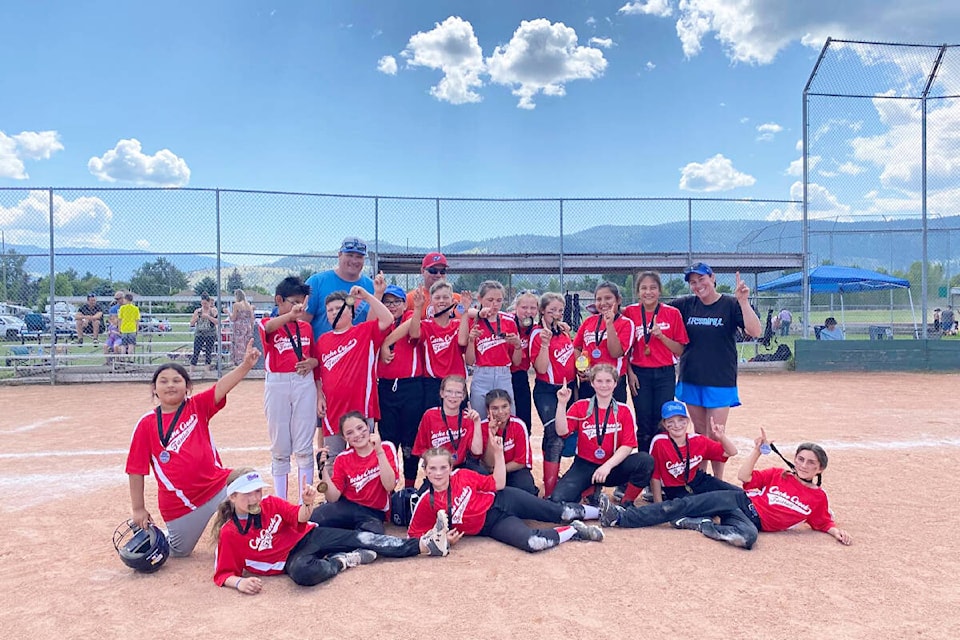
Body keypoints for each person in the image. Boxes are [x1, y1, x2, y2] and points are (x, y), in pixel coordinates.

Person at [598, 430, 853, 551]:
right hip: (740, 500)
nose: (804, 465)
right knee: (680, 505)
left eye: (811, 463)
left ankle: (703, 525)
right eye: (801, 459)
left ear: (819, 469)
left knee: (748, 539)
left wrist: (836, 532)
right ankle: (620, 517)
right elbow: (744, 478)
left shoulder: (818, 497)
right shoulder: (779, 474)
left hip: (748, 520)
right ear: (795, 460)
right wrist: (756, 450)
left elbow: (821, 521)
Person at [211, 468, 450, 594]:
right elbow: (223, 573)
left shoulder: (270, 503)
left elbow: (300, 518)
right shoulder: (230, 533)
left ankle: (426, 545)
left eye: (257, 491)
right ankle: (342, 561)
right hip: (291, 561)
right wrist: (239, 584)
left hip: (308, 536)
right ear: (232, 497)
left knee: (363, 538)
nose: (255, 498)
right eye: (248, 494)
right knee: (304, 575)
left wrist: (306, 504)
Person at [125, 339, 260, 557]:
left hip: (217, 488)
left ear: (187, 387)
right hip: (180, 505)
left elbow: (221, 387)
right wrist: (138, 508)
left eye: (177, 380)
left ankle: (241, 537)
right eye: (164, 381)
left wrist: (245, 366)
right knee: (178, 552)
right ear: (154, 389)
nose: (170, 385)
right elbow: (136, 470)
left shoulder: (197, 406)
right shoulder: (146, 424)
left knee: (247, 480)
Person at [408, 446, 605, 553]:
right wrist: (444, 540)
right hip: (493, 524)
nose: (438, 473)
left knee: (560, 512)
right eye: (432, 468)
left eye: (443, 467)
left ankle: (601, 512)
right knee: (533, 542)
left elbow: (497, 484)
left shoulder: (462, 475)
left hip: (503, 499)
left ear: (450, 468)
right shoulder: (427, 501)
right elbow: (414, 535)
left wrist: (498, 453)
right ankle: (574, 530)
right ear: (424, 471)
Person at [672, 263, 761, 480]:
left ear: (713, 278)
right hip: (692, 376)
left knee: (716, 433)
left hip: (720, 380)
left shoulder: (730, 304)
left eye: (701, 279)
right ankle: (700, 478)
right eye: (693, 282)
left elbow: (755, 331)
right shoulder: (686, 304)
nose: (697, 285)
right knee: (700, 433)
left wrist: (743, 301)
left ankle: (717, 480)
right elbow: (655, 309)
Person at [551, 364, 654, 506]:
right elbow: (562, 432)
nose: (604, 385)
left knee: (645, 460)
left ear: (615, 383)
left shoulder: (624, 410)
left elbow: (628, 445)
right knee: (558, 500)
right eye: (599, 381)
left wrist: (607, 466)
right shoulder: (581, 406)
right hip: (585, 465)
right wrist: (562, 404)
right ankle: (590, 490)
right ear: (592, 383)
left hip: (613, 466)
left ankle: (626, 503)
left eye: (608, 381)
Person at [315, 282, 392, 470]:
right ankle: (334, 499)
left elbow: (387, 319)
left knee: (365, 457)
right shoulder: (323, 340)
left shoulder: (364, 331)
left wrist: (367, 296)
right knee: (332, 459)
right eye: (330, 310)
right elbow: (319, 374)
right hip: (332, 411)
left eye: (338, 308)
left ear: (350, 311)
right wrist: (318, 396)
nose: (333, 312)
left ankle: (365, 497)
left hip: (361, 408)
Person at [258, 276, 321, 503]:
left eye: (302, 303)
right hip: (277, 383)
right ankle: (281, 504)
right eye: (294, 302)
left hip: (303, 381)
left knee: (304, 445)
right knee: (280, 445)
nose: (299, 308)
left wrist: (313, 363)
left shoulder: (305, 327)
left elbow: (314, 356)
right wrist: (289, 315)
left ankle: (306, 504)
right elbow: (267, 328)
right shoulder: (268, 322)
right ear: (279, 300)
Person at [622, 272, 688, 454]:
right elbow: (625, 348)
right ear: (637, 292)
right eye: (644, 288)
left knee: (662, 422)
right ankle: (643, 472)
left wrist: (661, 336)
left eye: (653, 288)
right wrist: (630, 373)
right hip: (639, 374)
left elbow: (680, 350)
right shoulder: (630, 312)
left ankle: (660, 471)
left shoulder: (672, 313)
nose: (648, 292)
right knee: (643, 423)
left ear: (659, 291)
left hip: (664, 374)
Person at [311, 412, 398, 533]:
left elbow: (389, 486)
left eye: (360, 428)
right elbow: (333, 498)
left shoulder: (386, 447)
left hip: (374, 511)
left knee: (372, 536)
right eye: (349, 433)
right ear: (344, 438)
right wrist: (323, 469)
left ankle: (351, 543)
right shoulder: (342, 458)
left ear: (368, 427)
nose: (357, 435)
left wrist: (379, 451)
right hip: (348, 506)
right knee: (314, 519)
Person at [377, 284, 425, 487]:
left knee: (410, 439)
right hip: (386, 387)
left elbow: (412, 331)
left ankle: (409, 487)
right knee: (388, 438)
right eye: (387, 302)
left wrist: (384, 343)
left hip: (411, 387)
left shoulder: (410, 317)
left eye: (397, 301)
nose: (392, 305)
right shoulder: (380, 322)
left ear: (405, 304)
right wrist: (381, 344)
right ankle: (389, 488)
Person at [530, 292, 576, 498]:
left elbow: (572, 360)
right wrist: (545, 343)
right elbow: (540, 368)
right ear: (542, 312)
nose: (556, 315)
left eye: (559, 310)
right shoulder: (537, 333)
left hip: (570, 388)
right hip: (548, 390)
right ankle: (550, 491)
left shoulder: (565, 332)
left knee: (572, 434)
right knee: (554, 437)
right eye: (551, 311)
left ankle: (570, 481)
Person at [649, 401, 738, 502]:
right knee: (704, 505)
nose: (677, 425)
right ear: (664, 424)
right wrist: (659, 505)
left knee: (738, 495)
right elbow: (655, 475)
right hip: (674, 488)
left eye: (681, 420)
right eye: (670, 422)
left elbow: (731, 452)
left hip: (697, 480)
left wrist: (721, 437)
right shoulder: (660, 442)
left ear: (687, 421)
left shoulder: (697, 440)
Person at [461, 280, 521, 420]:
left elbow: (516, 361)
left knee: (508, 418)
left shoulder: (509, 321)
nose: (495, 304)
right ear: (480, 299)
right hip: (481, 374)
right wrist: (471, 340)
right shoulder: (473, 321)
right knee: (478, 419)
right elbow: (470, 361)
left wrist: (518, 345)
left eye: (499, 300)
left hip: (503, 374)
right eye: (490, 300)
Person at [572, 281, 635, 403]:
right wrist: (582, 367)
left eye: (608, 298)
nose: (603, 303)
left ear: (618, 300)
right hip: (589, 380)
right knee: (588, 419)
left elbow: (615, 353)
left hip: (612, 383)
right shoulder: (589, 322)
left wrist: (610, 324)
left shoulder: (626, 323)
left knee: (612, 420)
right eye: (598, 299)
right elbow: (577, 347)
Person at [410, 281, 468, 410]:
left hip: (456, 382)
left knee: (460, 422)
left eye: (446, 297)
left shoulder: (458, 325)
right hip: (433, 382)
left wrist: (464, 312)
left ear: (453, 300)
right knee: (434, 424)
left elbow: (463, 342)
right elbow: (413, 334)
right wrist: (418, 307)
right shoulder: (426, 325)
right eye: (437, 298)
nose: (442, 301)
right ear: (430, 301)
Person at [412, 375, 484, 478]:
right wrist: (438, 460)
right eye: (449, 391)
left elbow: (477, 452)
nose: (453, 396)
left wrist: (477, 422)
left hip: (461, 468)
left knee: (482, 474)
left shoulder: (468, 417)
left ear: (463, 396)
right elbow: (419, 449)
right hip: (438, 469)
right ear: (442, 393)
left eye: (458, 393)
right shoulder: (430, 415)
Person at [303, 237, 375, 338]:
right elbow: (302, 323)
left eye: (359, 257)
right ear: (340, 255)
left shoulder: (373, 287)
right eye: (349, 255)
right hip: (322, 352)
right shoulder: (317, 282)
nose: (354, 261)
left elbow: (379, 325)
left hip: (359, 352)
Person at [478, 389, 537, 495]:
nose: (500, 412)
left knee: (526, 489)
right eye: (495, 408)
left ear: (510, 406)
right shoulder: (481, 427)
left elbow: (520, 462)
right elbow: (488, 464)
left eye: (504, 406)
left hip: (512, 469)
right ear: (488, 411)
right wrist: (492, 434)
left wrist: (499, 471)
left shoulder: (519, 425)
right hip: (490, 472)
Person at [508, 290, 539, 431]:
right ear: (516, 308)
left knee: (524, 418)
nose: (528, 312)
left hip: (520, 375)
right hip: (504, 374)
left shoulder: (536, 328)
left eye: (533, 308)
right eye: (524, 307)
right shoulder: (507, 322)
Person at [406, 252, 463, 318]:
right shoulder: (411, 298)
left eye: (442, 271)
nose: (438, 275)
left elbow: (466, 315)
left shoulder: (457, 299)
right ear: (423, 271)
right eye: (433, 271)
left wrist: (477, 313)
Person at [190, 294, 219, 373]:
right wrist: (198, 317)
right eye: (202, 303)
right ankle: (191, 371)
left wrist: (208, 317)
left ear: (209, 303)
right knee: (196, 352)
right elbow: (191, 323)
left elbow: (217, 322)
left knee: (208, 352)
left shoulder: (213, 311)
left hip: (210, 334)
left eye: (206, 303)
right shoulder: (198, 311)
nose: (204, 305)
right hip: (199, 334)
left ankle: (207, 370)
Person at [230, 289, 255, 367]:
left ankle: (239, 362)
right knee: (246, 344)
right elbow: (252, 318)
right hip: (247, 326)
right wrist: (251, 327)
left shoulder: (236, 305)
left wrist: (227, 312)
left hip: (239, 326)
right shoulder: (248, 305)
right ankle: (246, 361)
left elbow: (233, 318)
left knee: (238, 344)